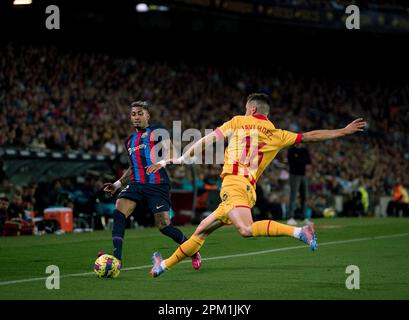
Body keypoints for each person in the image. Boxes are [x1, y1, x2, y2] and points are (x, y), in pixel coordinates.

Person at [147, 93, 366, 278]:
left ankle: (300, 231)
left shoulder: (237, 122)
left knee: (245, 229)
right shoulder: (278, 134)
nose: (244, 112)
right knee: (202, 230)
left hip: (233, 184)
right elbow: (311, 136)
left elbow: (207, 140)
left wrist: (184, 158)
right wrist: (342, 131)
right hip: (247, 189)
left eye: (245, 109)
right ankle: (163, 266)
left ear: (251, 109)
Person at [102, 101, 201, 269]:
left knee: (164, 225)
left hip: (157, 185)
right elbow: (133, 168)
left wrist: (161, 163)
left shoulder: (157, 131)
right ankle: (117, 259)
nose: (136, 117)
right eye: (133, 114)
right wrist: (117, 184)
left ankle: (192, 250)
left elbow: (171, 151)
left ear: (147, 115)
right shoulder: (129, 142)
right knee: (119, 211)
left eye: (140, 113)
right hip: (136, 184)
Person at [286, 145, 312, 226]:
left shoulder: (304, 150)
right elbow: (291, 161)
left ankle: (303, 218)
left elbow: (308, 160)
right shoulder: (291, 150)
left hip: (303, 175)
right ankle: (290, 217)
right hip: (294, 175)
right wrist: (301, 160)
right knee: (293, 196)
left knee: (304, 197)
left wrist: (298, 159)